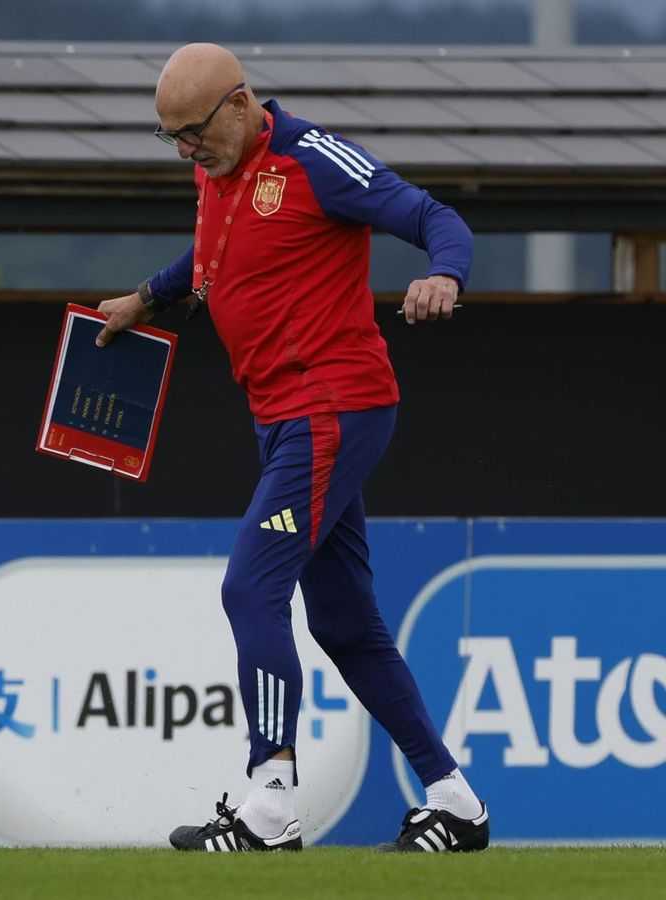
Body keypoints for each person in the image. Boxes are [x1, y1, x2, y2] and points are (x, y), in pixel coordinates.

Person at [95, 43, 488, 853]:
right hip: (283, 418)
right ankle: (456, 802)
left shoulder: (315, 159)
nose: (183, 151)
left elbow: (431, 216)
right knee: (346, 625)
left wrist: (445, 274)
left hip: (333, 409)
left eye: (192, 132)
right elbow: (212, 258)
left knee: (250, 588)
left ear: (241, 104)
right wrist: (146, 298)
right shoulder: (216, 170)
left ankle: (270, 804)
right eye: (168, 136)